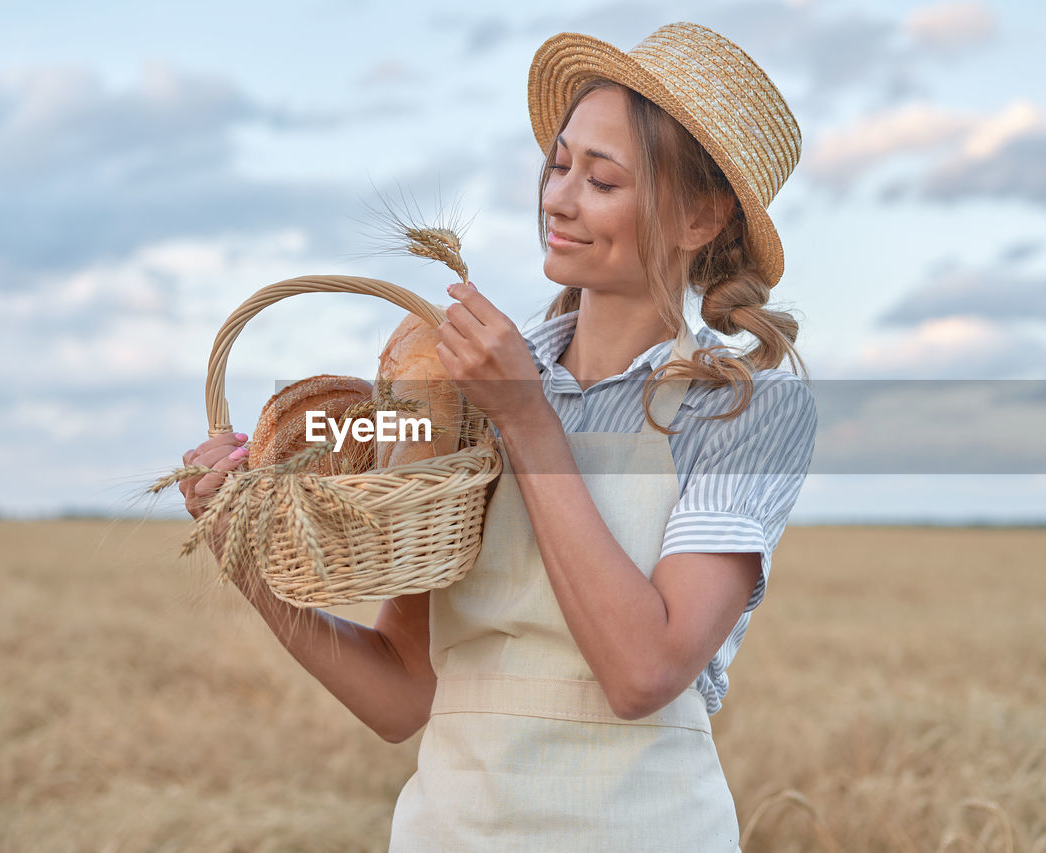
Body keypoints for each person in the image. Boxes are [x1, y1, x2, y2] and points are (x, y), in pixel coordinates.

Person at [180, 21, 817, 852]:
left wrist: (525, 417)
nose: (557, 199)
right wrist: (247, 553)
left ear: (699, 218)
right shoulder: (453, 396)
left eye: (602, 180)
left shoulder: (747, 412)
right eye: (558, 167)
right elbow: (403, 694)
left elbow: (645, 670)